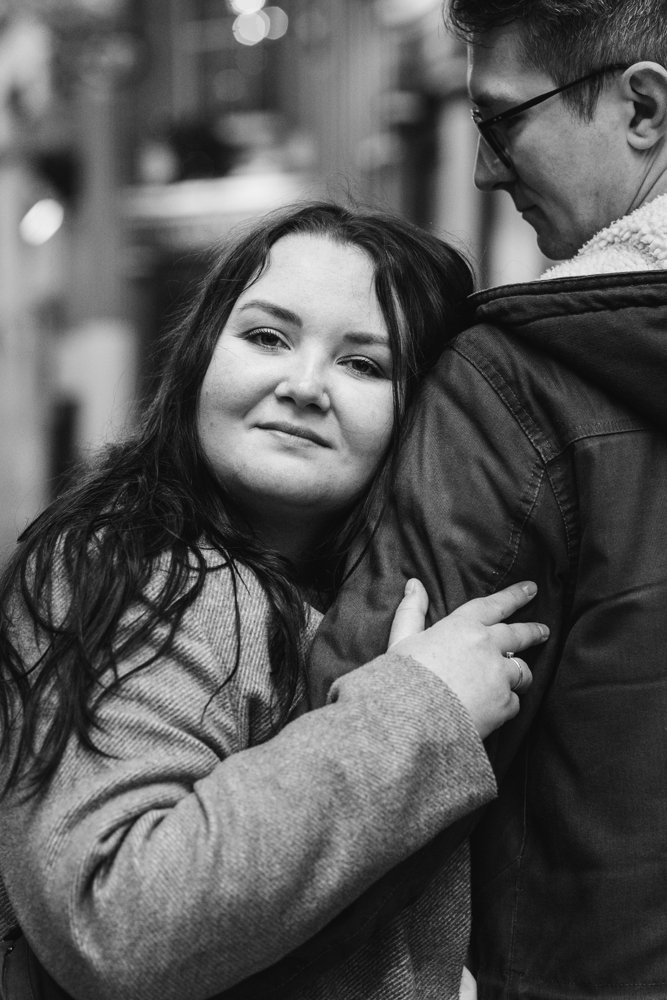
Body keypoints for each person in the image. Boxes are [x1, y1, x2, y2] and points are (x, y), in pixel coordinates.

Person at [0, 201, 548, 1000]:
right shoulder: (139, 568)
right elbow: (114, 917)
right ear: (200, 358)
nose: (302, 385)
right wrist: (420, 709)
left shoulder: (357, 592)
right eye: (266, 337)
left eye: (364, 364)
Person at [308, 3, 667, 999]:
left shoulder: (509, 386)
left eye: (503, 120)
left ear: (642, 108)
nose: (482, 170)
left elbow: (347, 792)